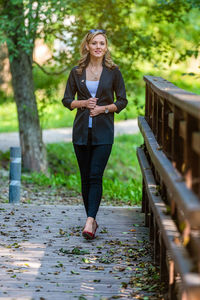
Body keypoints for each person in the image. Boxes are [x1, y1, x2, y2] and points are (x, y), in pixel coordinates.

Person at [62, 29, 128, 240]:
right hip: (81, 132)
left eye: (102, 43)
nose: (98, 47)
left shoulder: (114, 72)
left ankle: (90, 220)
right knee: (84, 177)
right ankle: (91, 219)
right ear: (87, 46)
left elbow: (122, 101)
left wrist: (103, 109)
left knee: (95, 175)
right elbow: (66, 100)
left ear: (106, 47)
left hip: (103, 132)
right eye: (94, 43)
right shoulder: (77, 72)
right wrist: (82, 103)